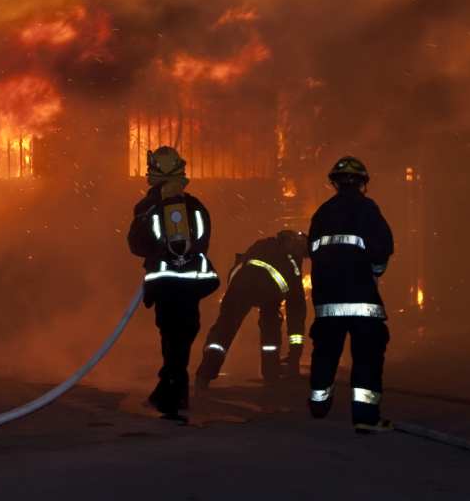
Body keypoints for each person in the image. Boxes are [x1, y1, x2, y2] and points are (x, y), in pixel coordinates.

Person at [128, 146, 220, 416]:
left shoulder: (147, 206)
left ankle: (172, 397)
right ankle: (170, 393)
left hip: (166, 284)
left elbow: (136, 244)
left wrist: (159, 254)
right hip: (192, 284)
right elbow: (203, 242)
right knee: (183, 338)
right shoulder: (196, 206)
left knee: (171, 339)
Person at [307, 156, 395, 433]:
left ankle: (318, 404)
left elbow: (312, 251)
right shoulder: (368, 210)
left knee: (325, 353)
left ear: (335, 183)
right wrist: (375, 270)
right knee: (367, 358)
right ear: (362, 183)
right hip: (362, 302)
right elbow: (382, 249)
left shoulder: (322, 213)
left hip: (328, 302)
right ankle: (365, 418)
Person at [195, 230, 308, 388]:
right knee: (271, 330)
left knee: (224, 329)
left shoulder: (262, 244)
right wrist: (295, 355)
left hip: (238, 286)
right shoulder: (292, 262)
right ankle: (271, 375)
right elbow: (296, 310)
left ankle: (204, 374)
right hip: (268, 293)